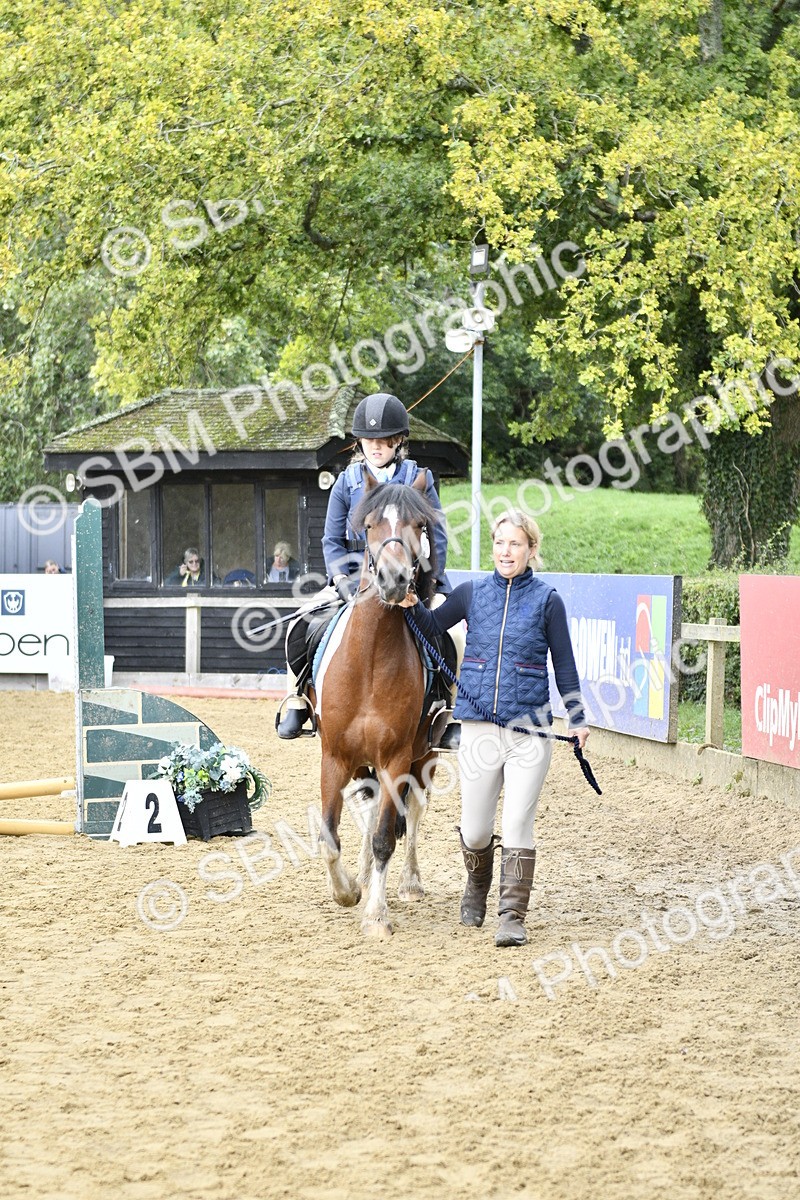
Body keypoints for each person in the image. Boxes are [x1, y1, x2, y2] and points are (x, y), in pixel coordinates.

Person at [400, 510, 590, 948]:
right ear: (494, 547)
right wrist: (413, 605)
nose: (507, 551)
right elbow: (432, 628)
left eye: (516, 544)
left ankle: (512, 915)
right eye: (501, 543)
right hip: (479, 729)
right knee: (475, 829)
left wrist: (578, 718)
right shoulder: (471, 593)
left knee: (518, 821)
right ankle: (476, 886)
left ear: (531, 550)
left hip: (530, 732)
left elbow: (564, 665)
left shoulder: (548, 601)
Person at [276, 391, 459, 740]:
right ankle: (298, 701)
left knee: (454, 633)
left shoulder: (418, 478)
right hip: (356, 579)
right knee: (300, 623)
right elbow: (332, 539)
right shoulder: (346, 482)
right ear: (360, 442)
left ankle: (445, 709)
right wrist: (341, 578)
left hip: (412, 579)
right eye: (369, 439)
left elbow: (438, 539)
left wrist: (426, 586)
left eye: (385, 439)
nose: (377, 446)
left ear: (398, 440)